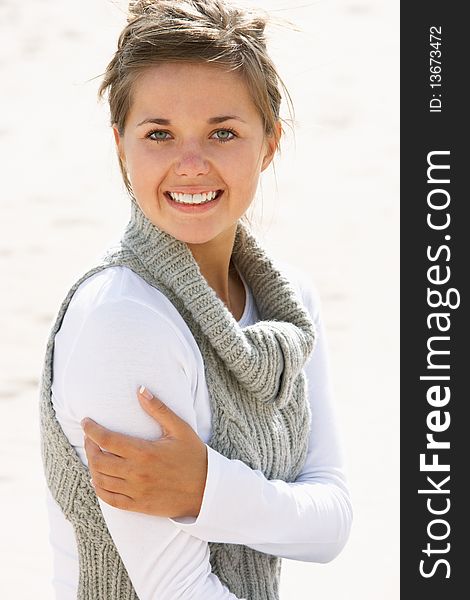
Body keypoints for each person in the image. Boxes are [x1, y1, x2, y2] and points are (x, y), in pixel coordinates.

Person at [39, 1, 353, 598]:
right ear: (120, 146)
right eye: (159, 134)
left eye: (223, 132)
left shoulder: (290, 307)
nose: (191, 165)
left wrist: (207, 488)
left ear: (268, 144)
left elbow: (332, 521)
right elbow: (177, 590)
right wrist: (248, 503)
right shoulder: (122, 319)